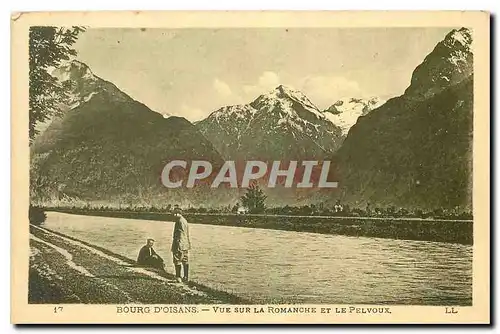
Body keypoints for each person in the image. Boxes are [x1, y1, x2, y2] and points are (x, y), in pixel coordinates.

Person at [171, 207, 191, 283]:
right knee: (185, 260)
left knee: (177, 260)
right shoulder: (185, 221)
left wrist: (176, 245)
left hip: (179, 244)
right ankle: (186, 277)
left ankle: (178, 277)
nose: (174, 216)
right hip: (185, 244)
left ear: (178, 214)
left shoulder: (179, 221)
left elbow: (179, 235)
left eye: (175, 214)